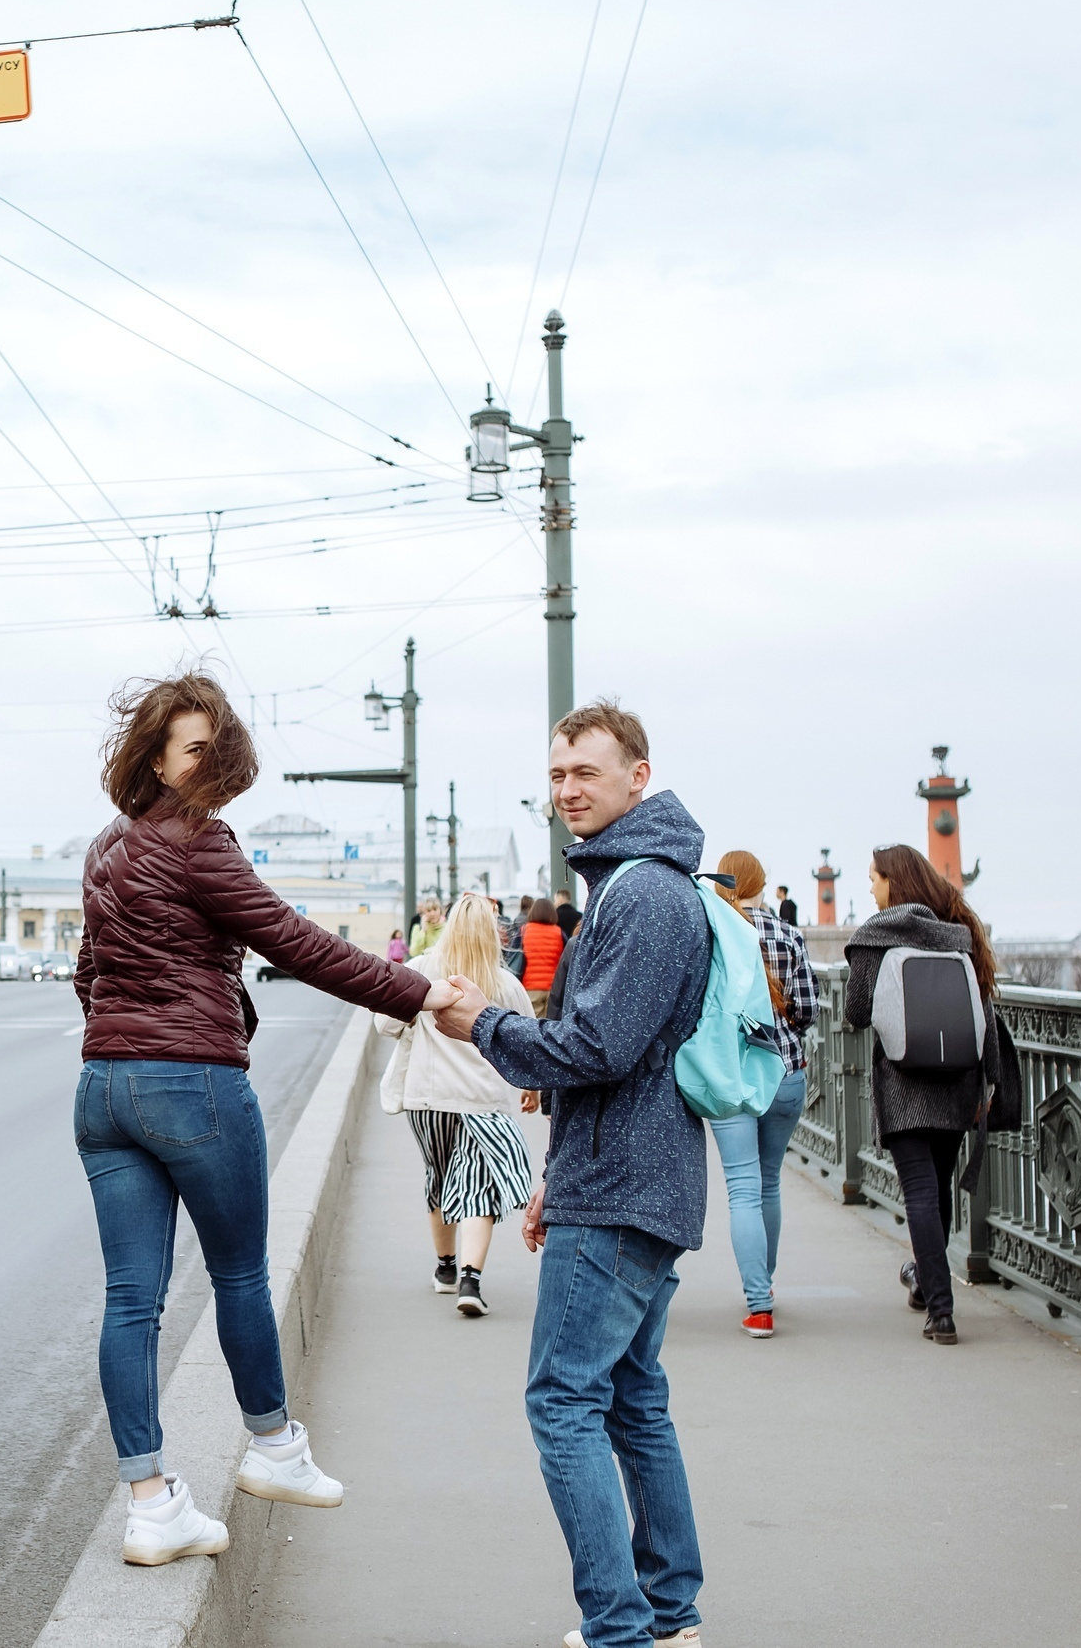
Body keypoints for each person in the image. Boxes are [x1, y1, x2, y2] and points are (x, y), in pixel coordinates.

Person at [74, 670, 459, 1566]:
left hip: (103, 1087)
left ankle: (150, 1502)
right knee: (240, 1273)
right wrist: (423, 991)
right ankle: (276, 1449)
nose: (208, 763)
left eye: (214, 747)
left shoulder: (106, 845)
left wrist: (122, 1045)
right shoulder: (201, 844)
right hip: (193, 1082)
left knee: (133, 1297)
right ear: (159, 759)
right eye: (192, 749)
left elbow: (89, 974)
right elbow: (298, 944)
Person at [431, 700, 708, 1648]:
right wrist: (557, 1174)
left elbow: (598, 1044)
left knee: (562, 1400)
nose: (567, 791)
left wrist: (486, 1026)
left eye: (584, 772)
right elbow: (621, 1058)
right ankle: (668, 1617)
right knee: (633, 1397)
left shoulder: (641, 894)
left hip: (625, 1184)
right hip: (633, 1176)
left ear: (639, 775)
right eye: (555, 775)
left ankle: (624, 1627)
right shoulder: (646, 884)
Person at [843, 844, 999, 1344]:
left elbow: (856, 1012)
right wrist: (988, 1081)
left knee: (920, 1195)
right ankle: (925, 1285)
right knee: (937, 1187)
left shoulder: (877, 935)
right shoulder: (957, 933)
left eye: (873, 878)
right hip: (958, 1084)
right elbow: (985, 1014)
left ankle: (942, 1309)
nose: (869, 887)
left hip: (905, 1086)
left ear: (893, 882)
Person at [373, 893, 536, 1317]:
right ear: (492, 935)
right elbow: (528, 1044)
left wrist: (416, 1012)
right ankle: (470, 1280)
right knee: (476, 1188)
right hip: (482, 1102)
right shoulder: (503, 983)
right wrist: (532, 1088)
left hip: (427, 1100)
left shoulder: (422, 971)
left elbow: (384, 1023)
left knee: (441, 1179)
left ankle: (445, 1269)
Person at [707, 851, 818, 1337]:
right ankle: (765, 1287)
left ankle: (758, 1307)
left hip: (729, 1075)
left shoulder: (710, 934)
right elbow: (808, 1009)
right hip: (784, 1070)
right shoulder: (788, 934)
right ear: (761, 884)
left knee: (742, 1189)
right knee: (769, 1182)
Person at [521, 889, 565, 1017]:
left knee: (532, 1023)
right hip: (553, 987)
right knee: (549, 1025)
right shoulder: (558, 932)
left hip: (530, 986)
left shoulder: (524, 931)